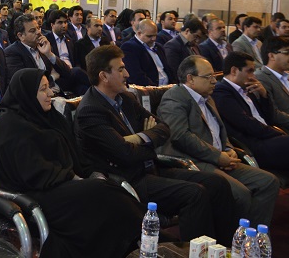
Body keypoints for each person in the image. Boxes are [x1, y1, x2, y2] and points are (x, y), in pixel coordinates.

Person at [75, 46, 237, 245]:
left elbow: (163, 128)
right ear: (103, 76)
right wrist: (149, 141)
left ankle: (223, 249)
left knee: (217, 183)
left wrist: (137, 138)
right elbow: (125, 154)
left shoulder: (126, 98)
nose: (127, 74)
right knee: (194, 194)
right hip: (129, 180)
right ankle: (196, 252)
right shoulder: (90, 111)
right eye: (121, 69)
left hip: (152, 168)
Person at [0, 69, 143, 257]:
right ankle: (146, 236)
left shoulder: (49, 117)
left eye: (49, 87)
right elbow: (31, 172)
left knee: (107, 192)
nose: (50, 93)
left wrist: (84, 174)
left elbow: (74, 155)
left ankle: (139, 241)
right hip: (35, 195)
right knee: (102, 194)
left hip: (60, 185)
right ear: (27, 93)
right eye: (43, 89)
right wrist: (72, 177)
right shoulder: (11, 126)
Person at [213, 51, 289, 242]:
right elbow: (248, 126)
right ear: (234, 70)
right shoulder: (222, 92)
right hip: (257, 148)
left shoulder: (249, 88)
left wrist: (264, 95)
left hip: (271, 141)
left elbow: (271, 117)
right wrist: (279, 135)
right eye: (249, 71)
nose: (253, 75)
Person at [156, 56, 280, 227]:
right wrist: (217, 156)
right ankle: (234, 238)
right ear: (190, 79)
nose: (214, 81)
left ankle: (253, 235)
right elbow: (180, 136)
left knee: (268, 182)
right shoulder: (174, 98)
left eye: (214, 76)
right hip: (195, 161)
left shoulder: (208, 97)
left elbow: (219, 130)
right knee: (240, 194)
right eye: (208, 77)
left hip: (219, 158)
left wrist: (228, 149)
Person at [120, 19, 176, 86]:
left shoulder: (159, 47)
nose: (154, 39)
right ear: (139, 33)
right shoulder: (129, 47)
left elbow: (168, 70)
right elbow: (136, 75)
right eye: (149, 36)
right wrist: (155, 89)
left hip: (166, 87)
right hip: (148, 89)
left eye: (155, 35)